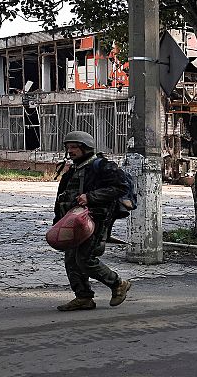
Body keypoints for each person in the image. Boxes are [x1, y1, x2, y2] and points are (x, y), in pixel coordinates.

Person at [53, 131, 131, 311]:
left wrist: (91, 197)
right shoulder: (73, 169)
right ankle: (83, 297)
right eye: (68, 147)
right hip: (71, 221)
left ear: (86, 148)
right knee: (71, 260)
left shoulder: (102, 166)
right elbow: (62, 197)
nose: (70, 151)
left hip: (94, 220)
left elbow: (120, 187)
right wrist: (58, 221)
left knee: (85, 259)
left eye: (74, 147)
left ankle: (118, 284)